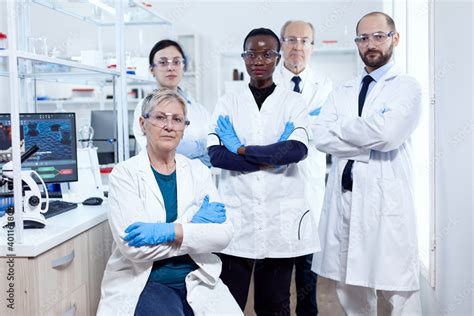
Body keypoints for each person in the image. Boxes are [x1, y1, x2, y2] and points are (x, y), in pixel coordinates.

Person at [311, 12, 422, 315]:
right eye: (363, 38)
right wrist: (366, 136)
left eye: (378, 36)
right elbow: (320, 136)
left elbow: (388, 135)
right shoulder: (343, 89)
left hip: (386, 202)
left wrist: (345, 130)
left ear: (394, 38)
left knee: (400, 289)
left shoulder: (407, 87)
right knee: (350, 287)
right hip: (345, 199)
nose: (370, 43)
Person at [98, 89, 242, 315]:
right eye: (159, 117)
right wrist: (193, 225)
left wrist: (168, 230)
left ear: (184, 128)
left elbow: (223, 236)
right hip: (146, 280)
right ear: (143, 124)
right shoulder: (124, 174)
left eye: (177, 119)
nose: (169, 125)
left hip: (197, 275)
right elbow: (134, 249)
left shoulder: (198, 171)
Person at [207, 28, 319, 315]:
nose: (259, 60)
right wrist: (273, 157)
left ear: (278, 58)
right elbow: (217, 155)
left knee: (275, 305)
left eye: (267, 54)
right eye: (252, 54)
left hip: (279, 220)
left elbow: (296, 151)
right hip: (237, 217)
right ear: (243, 58)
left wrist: (241, 149)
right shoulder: (227, 101)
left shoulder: (293, 102)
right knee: (228, 304)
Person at [274, 20, 333, 316]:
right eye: (291, 40)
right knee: (277, 274)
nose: (298, 47)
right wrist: (308, 121)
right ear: (282, 43)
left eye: (305, 41)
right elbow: (268, 135)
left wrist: (295, 126)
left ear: (313, 46)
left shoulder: (326, 86)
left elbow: (326, 132)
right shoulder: (266, 85)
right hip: (276, 189)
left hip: (310, 187)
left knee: (308, 271)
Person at [133, 39, 210, 166]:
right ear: (152, 69)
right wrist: (201, 147)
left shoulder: (199, 109)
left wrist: (187, 151)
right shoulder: (144, 107)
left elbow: (214, 149)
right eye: (163, 63)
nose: (170, 68)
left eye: (176, 62)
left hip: (198, 181)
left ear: (183, 66)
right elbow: (157, 150)